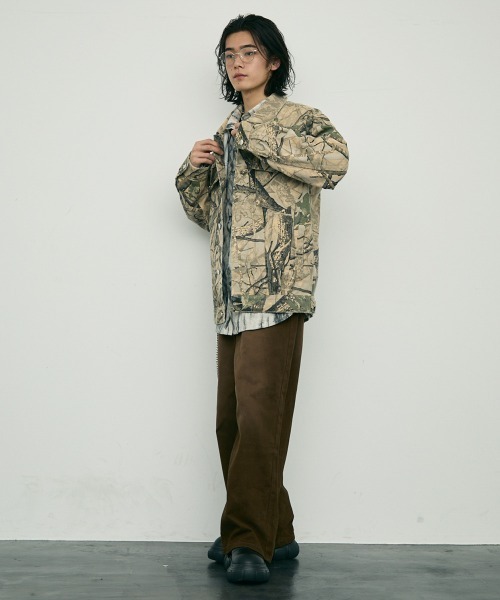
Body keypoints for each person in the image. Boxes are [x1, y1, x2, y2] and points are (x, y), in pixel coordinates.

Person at [175, 14, 349, 584]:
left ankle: (247, 541)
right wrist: (194, 171)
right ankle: (279, 530)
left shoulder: (300, 120)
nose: (237, 62)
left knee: (257, 421)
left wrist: (253, 136)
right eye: (229, 55)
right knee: (232, 423)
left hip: (277, 293)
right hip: (230, 300)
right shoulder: (226, 130)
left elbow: (335, 165)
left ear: (273, 61)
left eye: (248, 52)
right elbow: (209, 217)